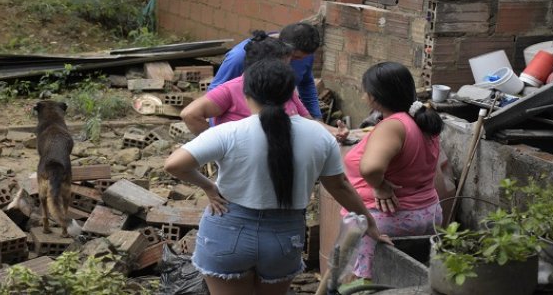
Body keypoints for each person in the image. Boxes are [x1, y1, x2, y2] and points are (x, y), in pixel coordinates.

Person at [165, 59, 391, 295]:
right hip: (284, 238)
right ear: (291, 93)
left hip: (228, 231)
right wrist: (371, 225)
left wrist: (209, 187)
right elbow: (340, 186)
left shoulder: (229, 132)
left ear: (246, 92)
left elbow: (174, 165)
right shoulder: (319, 135)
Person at [342, 62, 444, 283]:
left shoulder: (393, 126)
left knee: (366, 284)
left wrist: (380, 186)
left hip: (387, 218)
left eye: (365, 91)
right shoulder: (423, 120)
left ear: (376, 97)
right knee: (404, 282)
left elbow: (371, 168)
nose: (363, 97)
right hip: (427, 213)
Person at [180, 31, 312, 135]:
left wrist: (328, 131)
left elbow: (306, 120)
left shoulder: (283, 87)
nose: (287, 70)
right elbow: (190, 114)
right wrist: (217, 144)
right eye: (284, 65)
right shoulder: (233, 85)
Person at [208, 22, 322, 118]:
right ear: (282, 47)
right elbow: (213, 95)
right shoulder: (240, 56)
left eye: (304, 58)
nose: (297, 61)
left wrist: (317, 118)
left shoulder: (305, 54)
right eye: (295, 57)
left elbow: (306, 84)